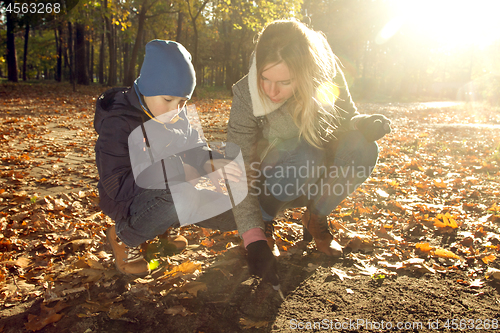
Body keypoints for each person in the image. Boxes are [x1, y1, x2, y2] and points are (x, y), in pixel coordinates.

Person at [225, 19, 391, 284]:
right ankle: (266, 220)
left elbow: (348, 115)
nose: (271, 91)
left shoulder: (325, 70)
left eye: (285, 81)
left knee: (364, 149)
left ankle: (316, 217)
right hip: (273, 175)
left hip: (314, 165)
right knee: (306, 155)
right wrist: (252, 237)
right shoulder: (246, 94)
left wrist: (364, 124)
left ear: (305, 72)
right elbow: (237, 167)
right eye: (264, 78)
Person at [94, 40, 241, 276]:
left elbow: (196, 147)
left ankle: (165, 225)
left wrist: (211, 160)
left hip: (171, 190)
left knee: (238, 209)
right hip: (128, 201)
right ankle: (124, 236)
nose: (177, 110)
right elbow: (116, 187)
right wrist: (177, 169)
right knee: (178, 196)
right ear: (147, 88)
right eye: (168, 100)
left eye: (183, 102)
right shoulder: (118, 122)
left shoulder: (176, 116)